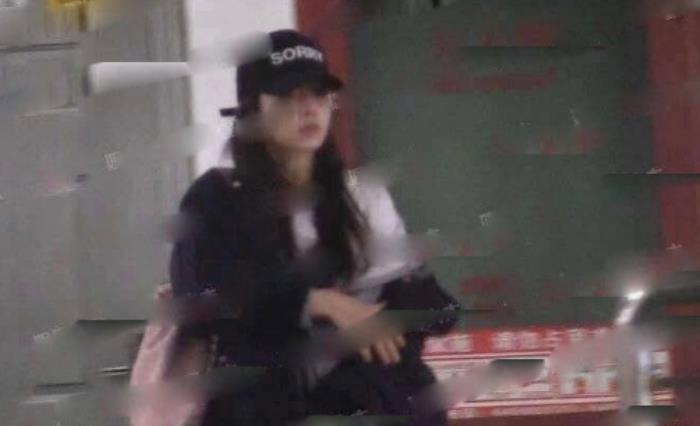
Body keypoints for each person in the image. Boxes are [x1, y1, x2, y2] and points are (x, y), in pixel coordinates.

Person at [169, 29, 459, 425]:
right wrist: (320, 303)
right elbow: (202, 298)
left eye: (319, 94)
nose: (309, 109)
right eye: (289, 95)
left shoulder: (361, 194)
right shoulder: (217, 197)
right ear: (252, 109)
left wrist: (384, 319)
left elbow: (426, 301)